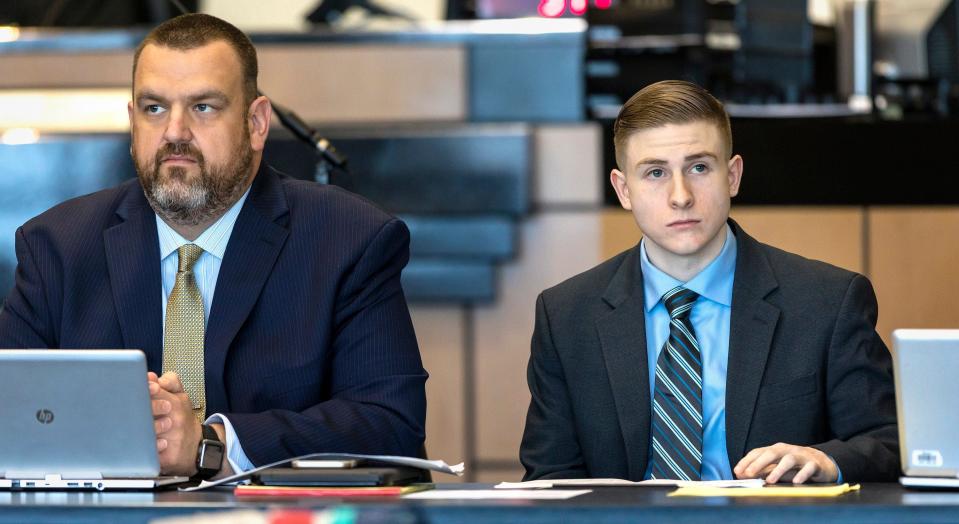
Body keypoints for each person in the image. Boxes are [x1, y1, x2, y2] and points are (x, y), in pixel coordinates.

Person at [0, 13, 427, 480]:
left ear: (257, 123)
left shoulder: (349, 239)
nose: (175, 132)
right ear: (132, 121)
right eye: (154, 108)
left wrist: (212, 446)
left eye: (203, 107)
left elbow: (390, 423)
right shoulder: (57, 246)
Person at [520, 80, 898, 483]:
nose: (680, 196)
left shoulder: (828, 302)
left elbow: (889, 443)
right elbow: (550, 478)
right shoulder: (565, 317)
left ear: (732, 176)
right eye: (655, 173)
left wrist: (829, 462)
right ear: (623, 190)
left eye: (699, 167)